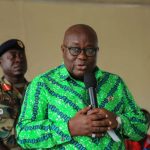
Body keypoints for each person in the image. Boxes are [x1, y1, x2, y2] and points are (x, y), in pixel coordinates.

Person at [16, 24, 149, 149]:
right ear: (63, 50)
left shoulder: (115, 83)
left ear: (97, 51)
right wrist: (69, 128)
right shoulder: (43, 84)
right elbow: (23, 135)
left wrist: (118, 121)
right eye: (75, 49)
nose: (82, 56)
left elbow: (141, 127)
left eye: (90, 50)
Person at [0, 39, 29, 150]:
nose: (18, 60)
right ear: (1, 62)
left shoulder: (37, 89)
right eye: (12, 56)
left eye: (21, 56)